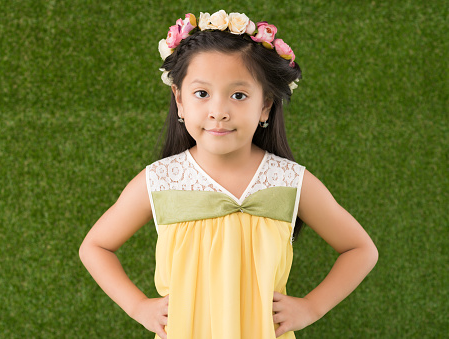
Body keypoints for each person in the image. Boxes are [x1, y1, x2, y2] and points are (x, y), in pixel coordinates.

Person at [79, 10, 378, 339]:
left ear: (265, 105)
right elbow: (95, 246)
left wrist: (311, 306)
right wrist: (138, 306)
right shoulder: (161, 180)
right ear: (179, 100)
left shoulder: (289, 181)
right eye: (202, 93)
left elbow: (360, 249)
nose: (218, 111)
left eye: (238, 95)